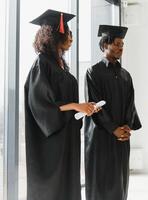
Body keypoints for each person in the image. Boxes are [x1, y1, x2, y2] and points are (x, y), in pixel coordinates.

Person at [25, 9, 99, 200]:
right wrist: (75, 105)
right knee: (53, 188)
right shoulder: (42, 63)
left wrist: (84, 108)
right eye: (68, 32)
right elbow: (40, 104)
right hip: (51, 140)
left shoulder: (61, 65)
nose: (71, 37)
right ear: (55, 34)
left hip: (66, 135)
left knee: (68, 183)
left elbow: (68, 104)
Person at [84, 25, 142, 200]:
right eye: (116, 44)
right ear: (104, 45)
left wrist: (126, 126)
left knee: (120, 180)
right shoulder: (93, 72)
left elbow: (131, 104)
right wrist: (113, 129)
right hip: (100, 136)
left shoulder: (126, 75)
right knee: (101, 182)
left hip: (121, 137)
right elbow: (94, 106)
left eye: (122, 44)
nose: (120, 48)